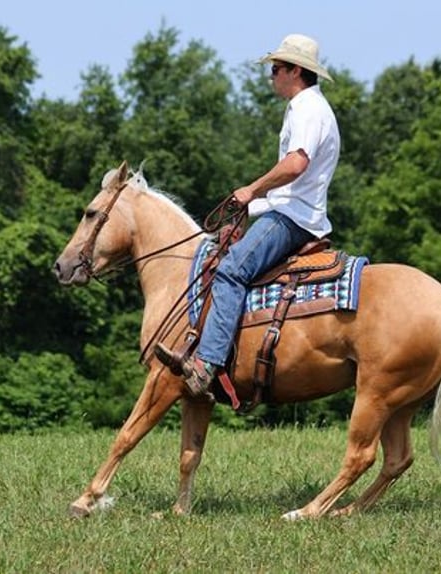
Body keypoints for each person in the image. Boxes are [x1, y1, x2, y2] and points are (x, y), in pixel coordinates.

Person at [159, 33, 340, 398]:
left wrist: (251, 190)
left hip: (294, 219)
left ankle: (206, 364)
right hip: (291, 211)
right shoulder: (308, 106)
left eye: (276, 68)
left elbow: (295, 164)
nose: (271, 75)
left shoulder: (308, 108)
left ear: (295, 70)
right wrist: (251, 207)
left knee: (230, 269)